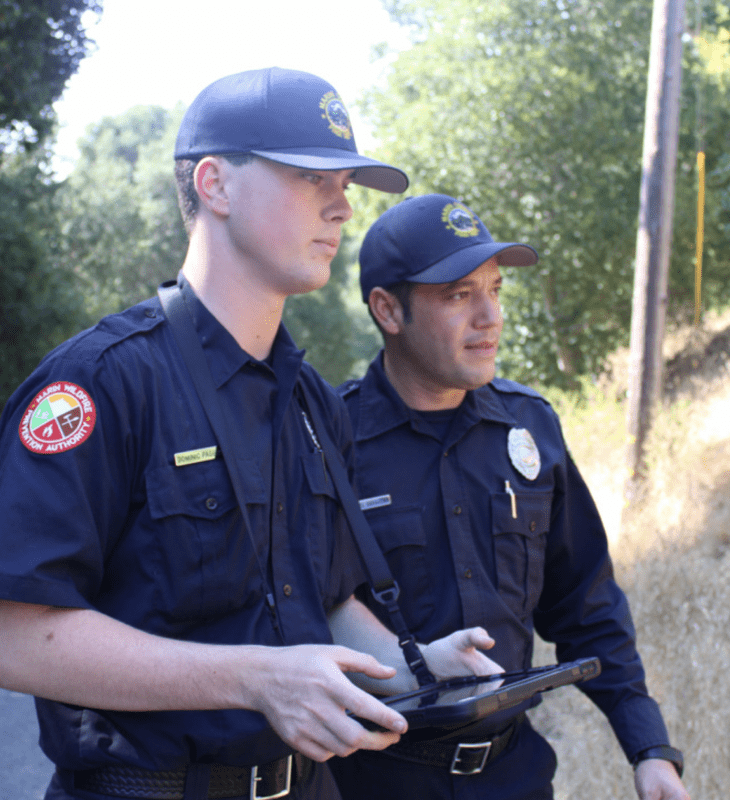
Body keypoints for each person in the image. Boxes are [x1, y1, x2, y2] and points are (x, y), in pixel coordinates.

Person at [0, 73, 499, 800]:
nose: (342, 204)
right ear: (215, 185)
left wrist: (414, 667)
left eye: (346, 182)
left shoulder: (313, 403)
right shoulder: (102, 384)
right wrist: (252, 678)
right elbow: (14, 634)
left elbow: (318, 604)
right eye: (308, 177)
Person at [330, 194, 691, 800]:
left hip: (514, 777)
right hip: (371, 780)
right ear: (388, 310)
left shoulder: (531, 429)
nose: (490, 316)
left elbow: (586, 603)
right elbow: (306, 615)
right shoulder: (330, 444)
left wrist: (648, 748)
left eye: (495, 289)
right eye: (458, 294)